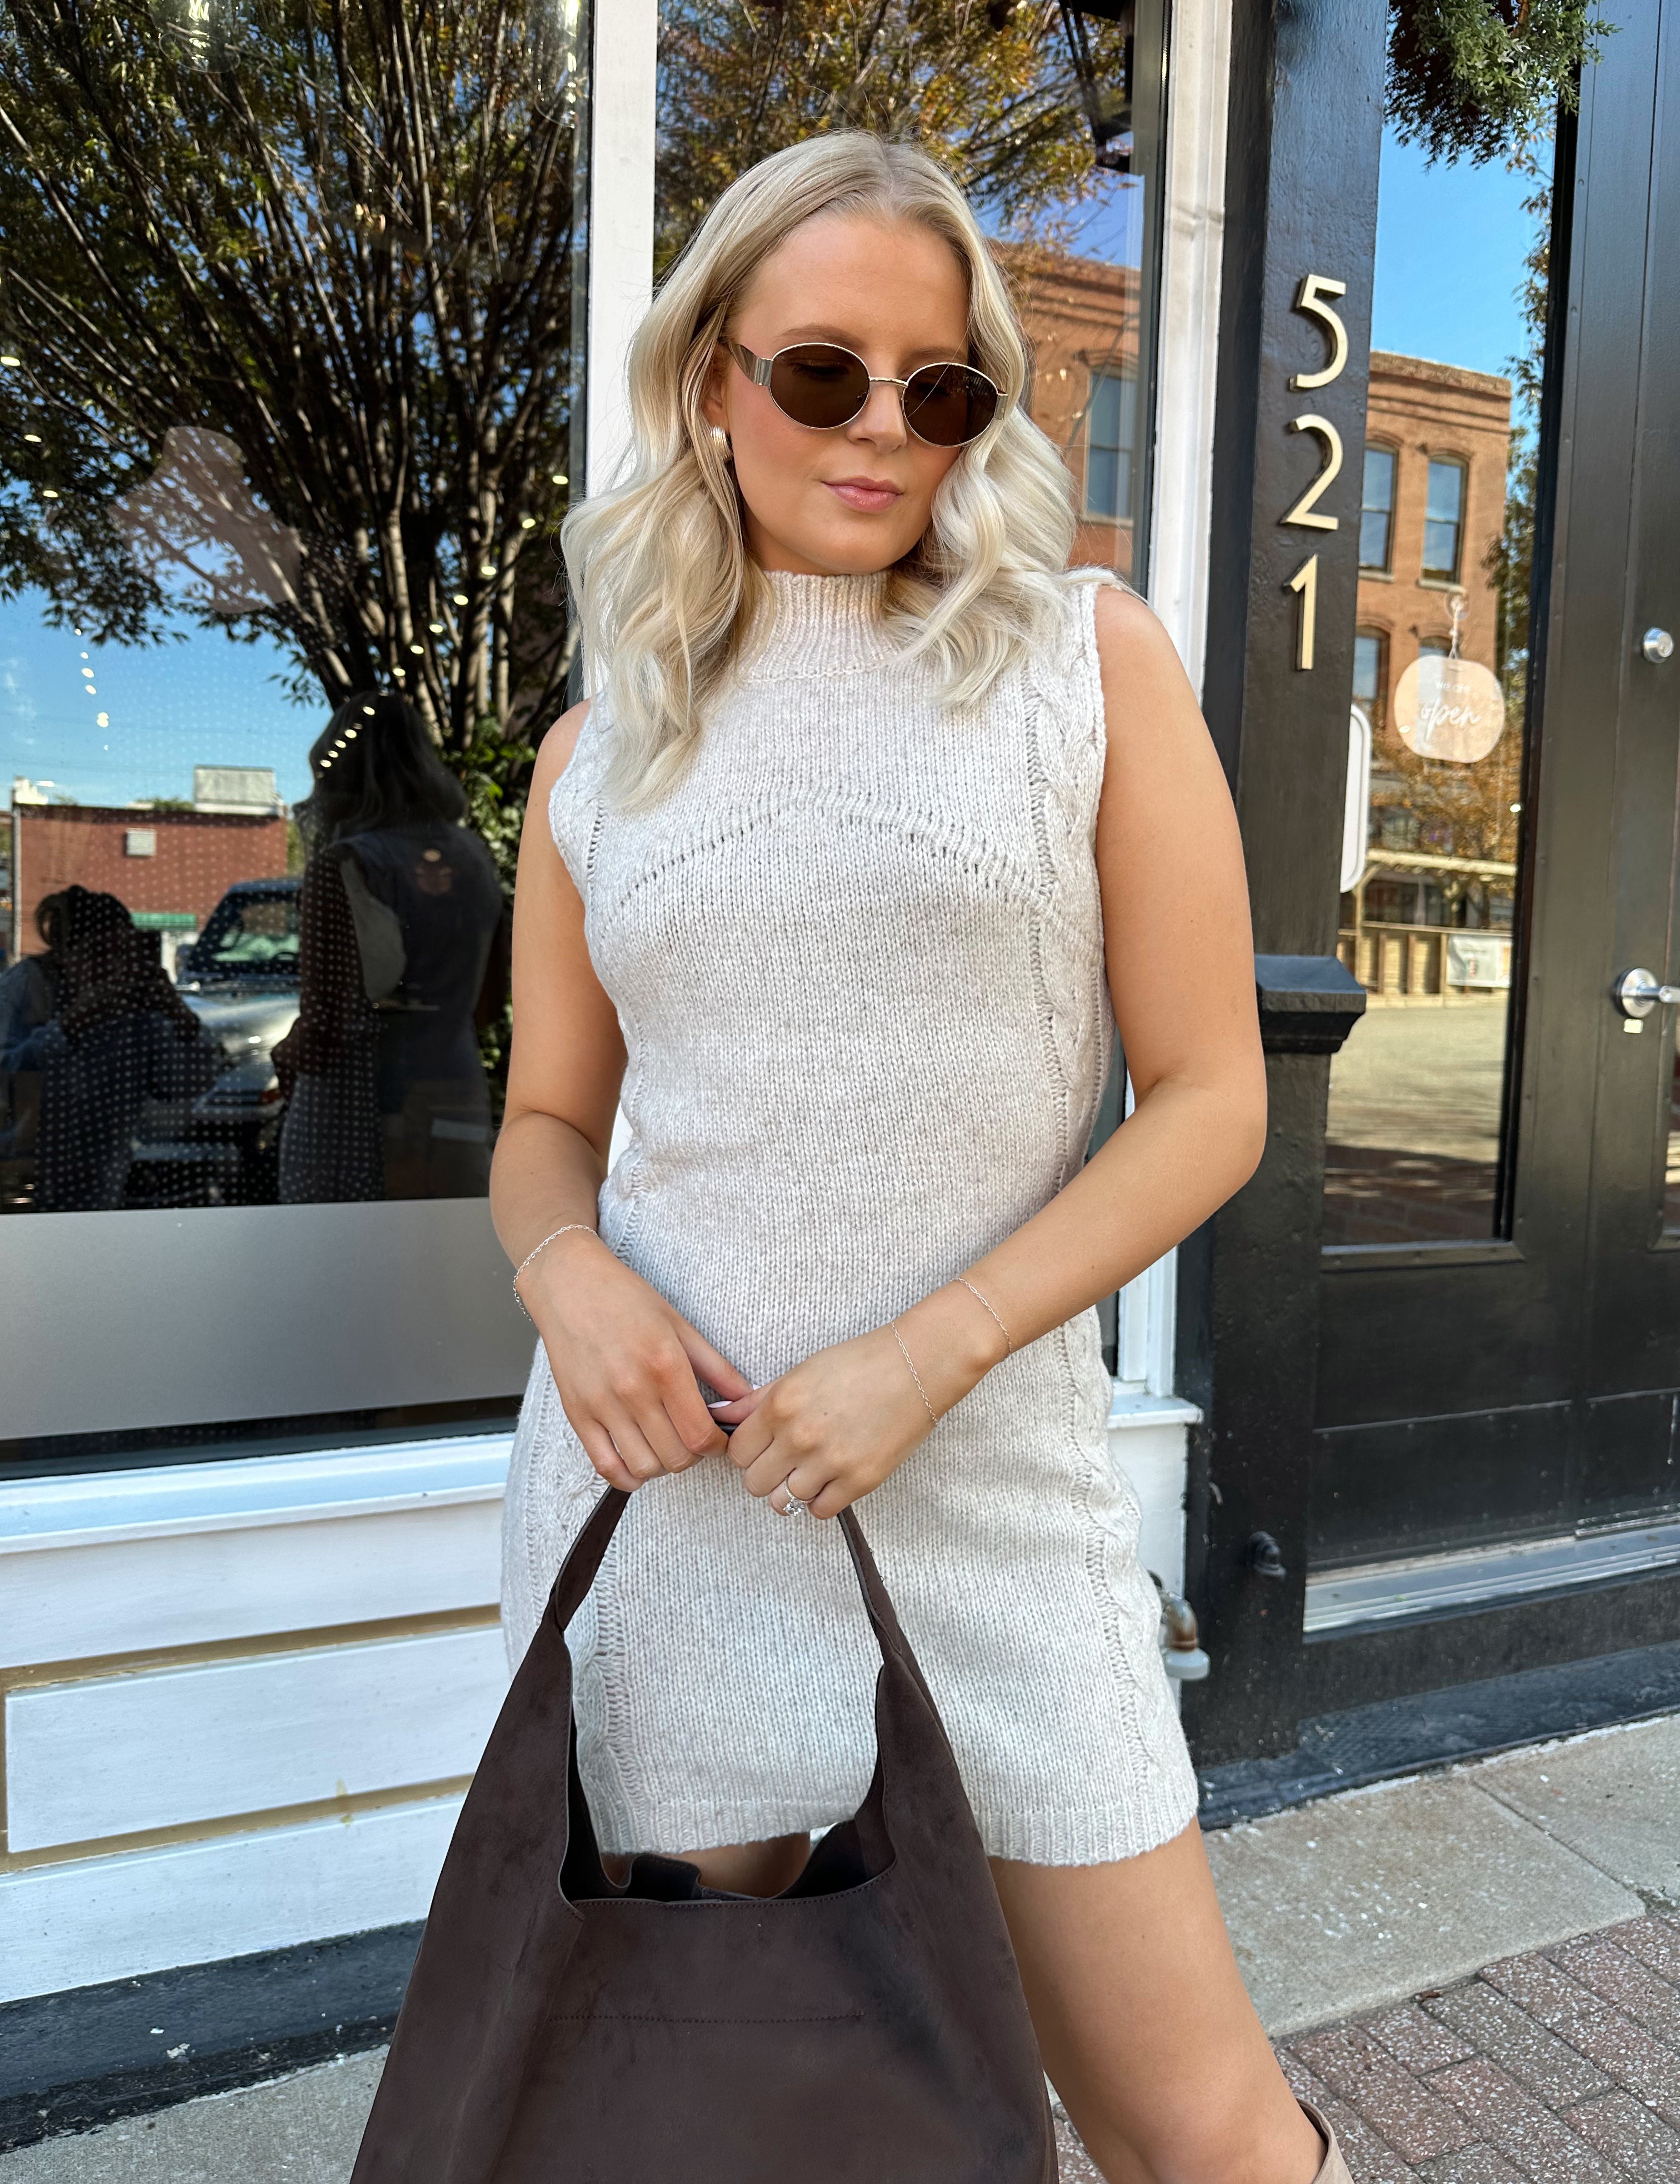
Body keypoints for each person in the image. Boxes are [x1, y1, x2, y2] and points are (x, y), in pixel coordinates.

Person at [493, 133, 1346, 2184]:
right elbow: (546, 1128)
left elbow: (1210, 1091)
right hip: (669, 1503)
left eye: (937, 383)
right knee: (705, 2126)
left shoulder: (1083, 660)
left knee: (1199, 2130)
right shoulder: (601, 744)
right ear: (706, 376)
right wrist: (567, 1274)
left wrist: (927, 1350)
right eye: (818, 374)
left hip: (985, 1491)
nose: (882, 428)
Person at [275, 692, 508, 1204]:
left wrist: (282, 1056)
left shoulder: (346, 865)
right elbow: (489, 1006)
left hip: (357, 1110)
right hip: (455, 1085)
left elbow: (325, 1025)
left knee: (342, 1266)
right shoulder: (474, 857)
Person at [0, 885, 218, 1210]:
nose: (113, 968)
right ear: (65, 955)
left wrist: (179, 1017)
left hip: (105, 1191)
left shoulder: (136, 1011)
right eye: (99, 953)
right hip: (21, 1182)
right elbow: (8, 1076)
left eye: (125, 953)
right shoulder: (29, 987)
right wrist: (74, 1024)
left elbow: (184, 1087)